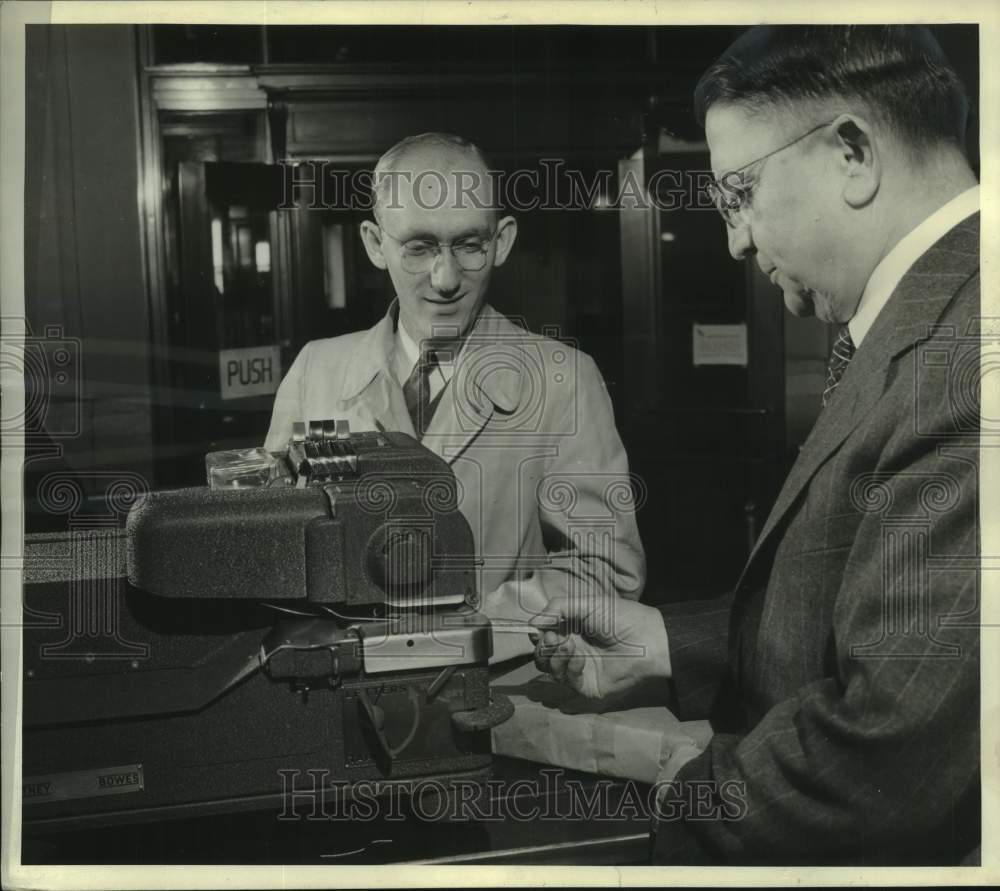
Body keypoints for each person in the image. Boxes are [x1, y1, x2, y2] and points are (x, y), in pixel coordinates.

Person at [532, 26, 980, 864]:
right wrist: (663, 642)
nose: (735, 241)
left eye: (739, 194)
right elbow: (855, 613)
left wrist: (670, 802)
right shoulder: (934, 316)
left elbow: (886, 750)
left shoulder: (969, 359)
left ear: (853, 152)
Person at [266, 132, 645, 661]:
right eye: (418, 248)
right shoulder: (316, 370)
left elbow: (607, 569)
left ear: (503, 240)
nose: (446, 279)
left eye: (469, 245)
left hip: (505, 702)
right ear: (376, 245)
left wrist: (465, 632)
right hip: (345, 704)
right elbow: (277, 555)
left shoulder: (565, 379)